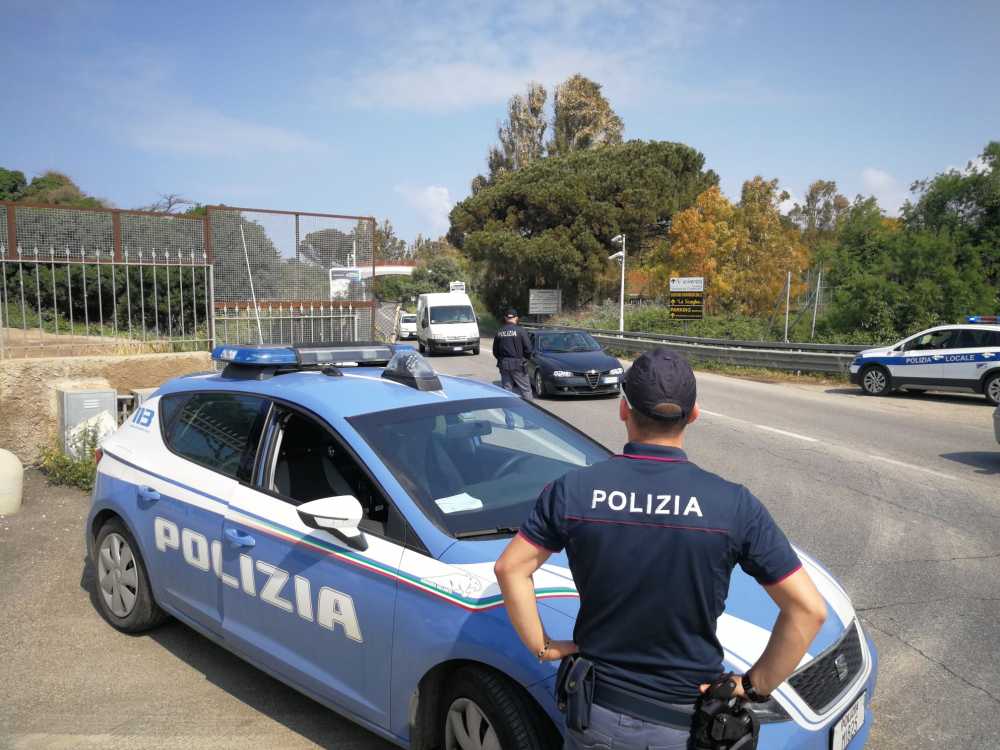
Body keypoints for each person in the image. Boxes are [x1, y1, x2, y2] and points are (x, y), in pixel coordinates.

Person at [495, 348, 828, 749]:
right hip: (683, 725)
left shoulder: (573, 491)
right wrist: (754, 687)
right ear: (694, 414)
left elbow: (510, 568)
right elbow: (808, 610)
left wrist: (543, 646)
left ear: (623, 409)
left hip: (596, 714)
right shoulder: (733, 504)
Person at [492, 308, 534, 400]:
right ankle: (530, 413)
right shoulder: (521, 331)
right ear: (516, 318)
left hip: (504, 364)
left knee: (506, 391)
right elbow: (528, 349)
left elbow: (495, 351)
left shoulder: (499, 332)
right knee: (526, 390)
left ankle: (508, 414)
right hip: (518, 364)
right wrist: (525, 359)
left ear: (505, 318)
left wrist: (501, 359)